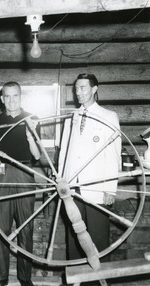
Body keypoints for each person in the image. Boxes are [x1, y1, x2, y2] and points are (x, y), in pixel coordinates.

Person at [58, 73, 121, 261]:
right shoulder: (71, 118)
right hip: (71, 188)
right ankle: (77, 277)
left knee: (98, 237)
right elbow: (64, 153)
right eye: (76, 88)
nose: (78, 92)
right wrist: (61, 179)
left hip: (96, 188)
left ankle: (97, 280)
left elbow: (113, 155)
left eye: (83, 87)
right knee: (74, 238)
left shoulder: (108, 116)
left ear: (94, 89)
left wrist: (110, 188)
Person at [0, 81, 41, 286]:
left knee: (26, 228)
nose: (11, 100)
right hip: (1, 175)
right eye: (7, 96)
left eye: (15, 96)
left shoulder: (31, 119)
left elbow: (36, 155)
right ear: (2, 99)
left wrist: (30, 135)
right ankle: (1, 278)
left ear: (21, 96)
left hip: (25, 173)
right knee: (2, 228)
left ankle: (24, 277)